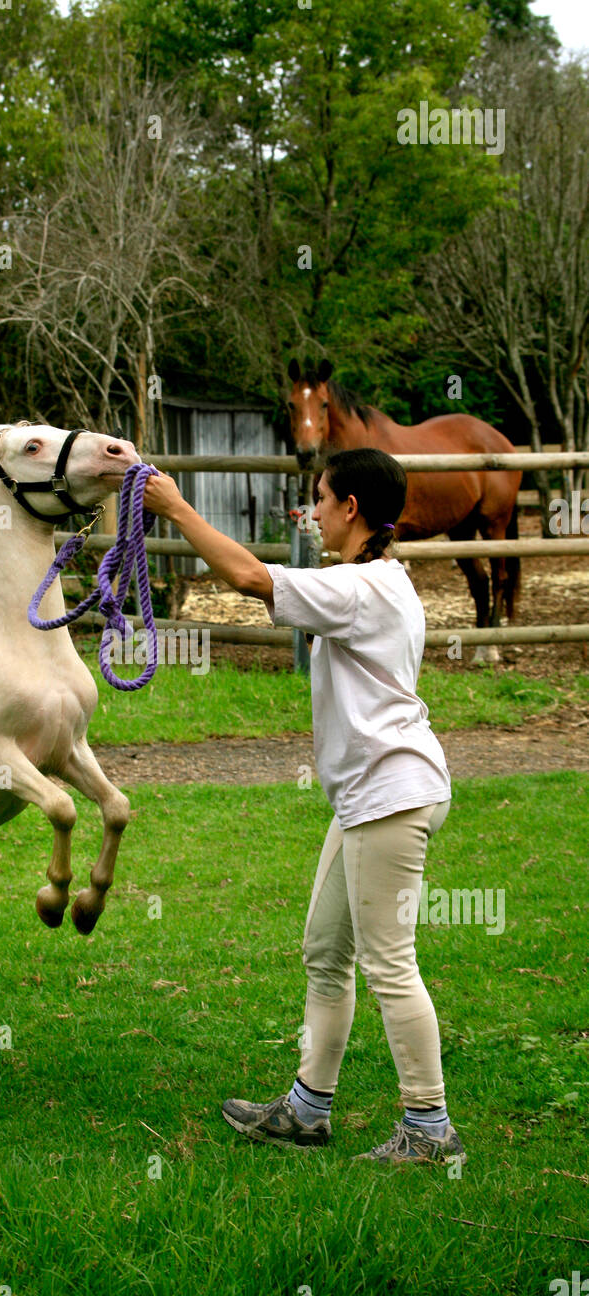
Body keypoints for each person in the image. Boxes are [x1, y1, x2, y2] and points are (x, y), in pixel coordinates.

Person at [142, 448, 464, 1165]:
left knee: (389, 965)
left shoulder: (363, 587)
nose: (312, 511)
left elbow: (250, 578)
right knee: (326, 953)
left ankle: (430, 1129)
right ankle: (307, 1110)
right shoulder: (374, 582)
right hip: (367, 797)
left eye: (321, 498)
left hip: (390, 796)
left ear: (351, 508)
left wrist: (174, 508)